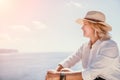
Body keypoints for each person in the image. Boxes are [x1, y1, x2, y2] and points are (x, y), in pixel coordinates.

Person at [54, 11, 120, 80]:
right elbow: (70, 60)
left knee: (63, 75)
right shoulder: (85, 46)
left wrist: (59, 76)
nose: (81, 28)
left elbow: (90, 73)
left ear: (95, 26)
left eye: (85, 24)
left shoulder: (110, 46)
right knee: (64, 71)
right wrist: (56, 72)